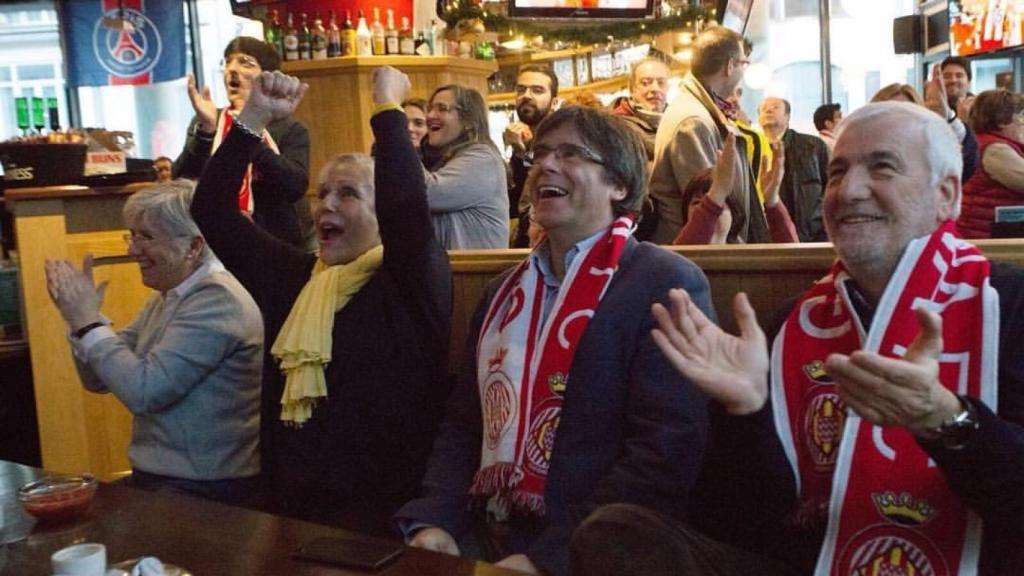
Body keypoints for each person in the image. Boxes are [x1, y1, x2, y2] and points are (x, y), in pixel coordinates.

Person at [571, 101, 1024, 575]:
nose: (848, 191)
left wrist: (948, 422)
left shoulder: (1008, 304)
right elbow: (737, 525)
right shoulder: (793, 325)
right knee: (615, 534)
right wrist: (743, 413)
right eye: (837, 172)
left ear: (946, 196)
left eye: (882, 168)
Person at [396, 106, 712, 576]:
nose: (545, 164)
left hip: (598, 551)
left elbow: (664, 454)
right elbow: (464, 424)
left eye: (571, 154)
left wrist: (551, 558)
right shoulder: (502, 293)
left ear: (619, 185)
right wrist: (434, 520)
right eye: (541, 152)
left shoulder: (662, 281)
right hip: (483, 534)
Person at [190, 66, 452, 534]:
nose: (326, 204)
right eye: (323, 193)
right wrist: (253, 118)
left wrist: (388, 107)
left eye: (348, 194)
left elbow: (407, 207)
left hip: (385, 517)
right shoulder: (294, 278)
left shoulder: (410, 278)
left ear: (380, 211)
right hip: (289, 509)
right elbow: (210, 208)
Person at [45, 182, 263, 506]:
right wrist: (79, 321)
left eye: (146, 236)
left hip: (206, 490)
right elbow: (99, 379)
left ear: (194, 246)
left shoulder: (217, 299)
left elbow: (144, 392)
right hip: (167, 481)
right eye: (131, 235)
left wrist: (89, 322)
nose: (132, 249)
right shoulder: (169, 296)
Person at [174, 37, 312, 250]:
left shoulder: (289, 128)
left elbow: (294, 185)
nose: (232, 69)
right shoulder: (210, 119)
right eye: (228, 62)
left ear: (267, 76)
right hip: (214, 238)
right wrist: (206, 133)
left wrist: (248, 132)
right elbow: (182, 181)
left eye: (245, 62)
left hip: (274, 240)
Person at [650, 26, 769, 245]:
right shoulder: (693, 122)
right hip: (702, 261)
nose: (743, 71)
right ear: (730, 65)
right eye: (744, 63)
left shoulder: (702, 112)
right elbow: (710, 210)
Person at [422, 84, 509, 250]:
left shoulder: (483, 158)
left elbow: (427, 192)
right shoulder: (443, 161)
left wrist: (399, 139)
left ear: (468, 121)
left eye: (442, 108)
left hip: (474, 273)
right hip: (453, 272)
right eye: (430, 108)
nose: (431, 115)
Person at [673, 131, 795, 245]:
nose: (710, 212)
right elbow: (683, 258)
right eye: (697, 203)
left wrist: (773, 202)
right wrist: (718, 193)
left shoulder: (747, 260)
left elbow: (795, 261)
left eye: (721, 202)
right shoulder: (670, 259)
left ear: (734, 214)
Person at [872, 65, 978, 182]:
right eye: (890, 112)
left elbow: (965, 163)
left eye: (907, 113)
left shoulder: (928, 153)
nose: (897, 120)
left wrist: (946, 118)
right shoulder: (861, 153)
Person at [758, 96, 830, 242]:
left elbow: (832, 188)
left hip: (812, 236)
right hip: (766, 238)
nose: (769, 109)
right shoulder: (754, 149)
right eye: (764, 108)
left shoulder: (813, 146)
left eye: (775, 107)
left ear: (787, 117)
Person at [957, 88, 1024, 238]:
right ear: (1002, 120)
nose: (1022, 122)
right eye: (1019, 115)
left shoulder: (984, 143)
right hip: (990, 240)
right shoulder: (995, 150)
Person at [507, 65, 561, 246]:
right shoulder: (526, 141)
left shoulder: (561, 141)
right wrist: (519, 152)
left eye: (537, 90)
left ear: (554, 102)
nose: (526, 95)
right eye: (521, 90)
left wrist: (524, 153)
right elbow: (514, 203)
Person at [611, 57, 671, 160]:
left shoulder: (677, 121)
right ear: (632, 88)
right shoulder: (616, 128)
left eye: (661, 83)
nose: (655, 89)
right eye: (645, 83)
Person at [942, 55, 975, 120]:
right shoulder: (933, 109)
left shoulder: (980, 109)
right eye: (947, 76)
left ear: (969, 80)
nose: (953, 80)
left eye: (959, 76)